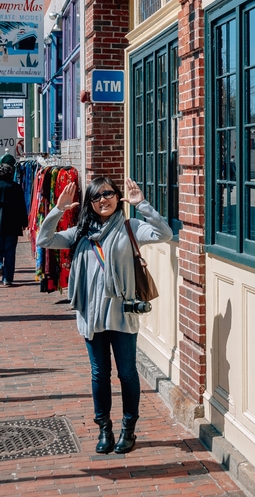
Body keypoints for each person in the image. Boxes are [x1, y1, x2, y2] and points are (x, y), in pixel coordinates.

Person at [37, 176, 173, 455]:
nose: (104, 200)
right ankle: (104, 429)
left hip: (122, 317)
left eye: (109, 193)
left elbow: (165, 234)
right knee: (100, 375)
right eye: (97, 196)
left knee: (126, 374)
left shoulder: (130, 226)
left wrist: (143, 205)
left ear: (117, 196)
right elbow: (44, 239)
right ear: (90, 202)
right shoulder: (80, 233)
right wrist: (59, 210)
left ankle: (128, 428)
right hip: (91, 318)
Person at [0, 154, 28, 286]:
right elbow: (22, 207)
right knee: (10, 251)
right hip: (12, 224)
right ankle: (8, 278)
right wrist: (24, 222)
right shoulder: (16, 187)